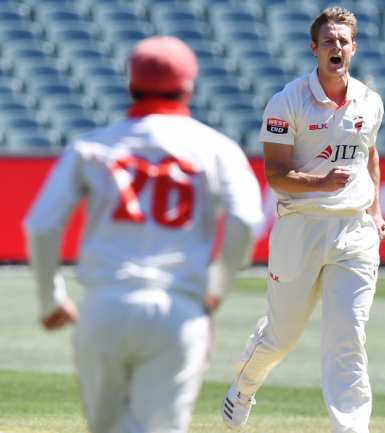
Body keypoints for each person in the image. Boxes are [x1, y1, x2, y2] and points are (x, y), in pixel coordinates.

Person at [23, 36, 264, 433]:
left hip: (104, 304)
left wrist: (51, 299)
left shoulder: (92, 146)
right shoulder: (217, 148)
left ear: (130, 82)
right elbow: (245, 219)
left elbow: (41, 224)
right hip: (179, 307)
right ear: (189, 86)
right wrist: (216, 287)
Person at [221, 6, 385, 433]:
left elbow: (369, 155)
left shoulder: (370, 101)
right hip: (300, 226)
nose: (337, 48)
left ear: (354, 47)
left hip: (354, 232)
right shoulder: (287, 101)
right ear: (314, 48)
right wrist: (321, 183)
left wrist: (375, 211)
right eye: (329, 41)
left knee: (348, 339)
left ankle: (351, 428)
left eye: (343, 41)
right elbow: (275, 174)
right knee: (282, 336)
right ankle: (244, 386)